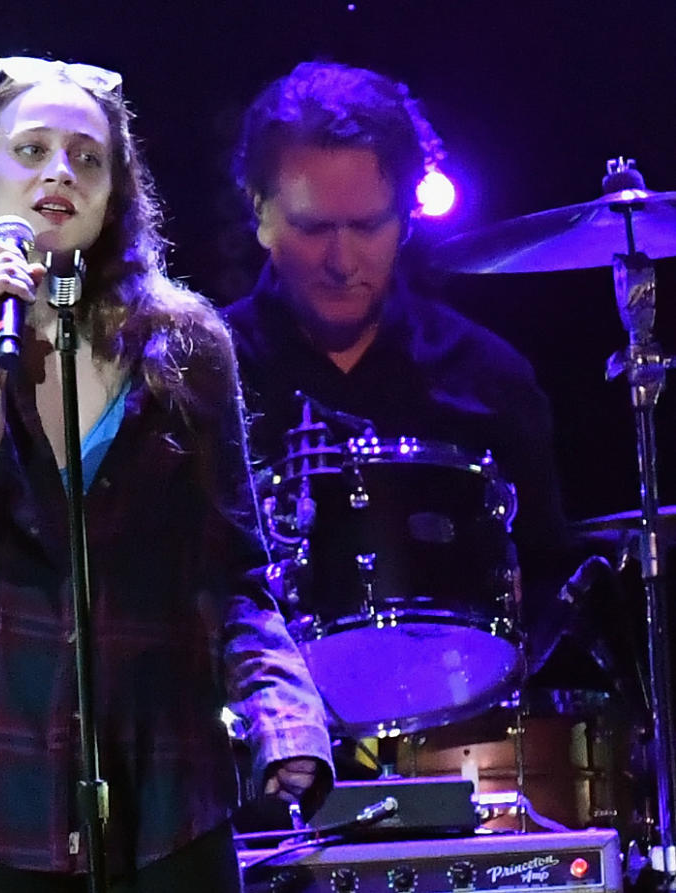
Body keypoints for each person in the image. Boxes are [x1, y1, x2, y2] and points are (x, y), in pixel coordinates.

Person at [0, 56, 332, 892]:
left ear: (113, 197)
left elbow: (236, 570)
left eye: (86, 156)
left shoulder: (186, 347)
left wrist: (284, 713)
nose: (59, 171)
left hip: (167, 791)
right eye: (30, 150)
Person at [224, 61, 573, 743]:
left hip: (455, 745)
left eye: (368, 225)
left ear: (407, 219)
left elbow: (551, 577)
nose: (342, 260)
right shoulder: (197, 370)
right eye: (314, 226)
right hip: (241, 756)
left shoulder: (487, 377)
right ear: (258, 210)